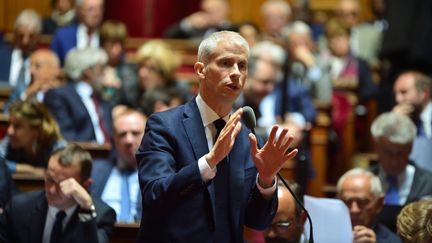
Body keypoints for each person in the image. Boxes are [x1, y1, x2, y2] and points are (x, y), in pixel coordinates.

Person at [135, 31, 298, 242]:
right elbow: (154, 195)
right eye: (226, 63)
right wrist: (210, 161)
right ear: (201, 70)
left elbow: (256, 222)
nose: (236, 73)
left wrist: (266, 180)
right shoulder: (164, 126)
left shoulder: (245, 134)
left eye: (242, 65)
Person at [0, 143, 116, 243]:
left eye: (63, 185)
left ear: (85, 185)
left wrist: (86, 207)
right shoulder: (18, 208)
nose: (52, 190)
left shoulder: (101, 215)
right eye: (50, 180)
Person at [369, 111, 432, 231]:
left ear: (411, 147)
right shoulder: (361, 182)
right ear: (376, 146)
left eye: (401, 154)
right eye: (388, 153)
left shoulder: (429, 184)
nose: (394, 161)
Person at [44, 47, 112, 144]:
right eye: (101, 68)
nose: (105, 73)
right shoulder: (60, 96)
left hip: (110, 155)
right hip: (82, 154)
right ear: (88, 71)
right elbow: (65, 136)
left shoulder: (102, 99)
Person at [91, 106, 146, 222]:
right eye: (122, 134)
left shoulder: (160, 173)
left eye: (135, 133)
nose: (128, 140)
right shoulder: (94, 171)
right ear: (114, 139)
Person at [115, 40, 191, 114]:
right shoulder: (130, 91)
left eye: (151, 68)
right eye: (141, 66)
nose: (142, 73)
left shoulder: (179, 93)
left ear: (163, 75)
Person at [0, 100, 66, 175]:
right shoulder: (10, 142)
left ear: (36, 129)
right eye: (10, 124)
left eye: (17, 126)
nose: (9, 131)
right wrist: (26, 169)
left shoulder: (56, 147)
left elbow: (64, 171)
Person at [337, 168, 402, 243]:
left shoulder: (394, 241)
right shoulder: (325, 234)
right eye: (347, 201)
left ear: (379, 203)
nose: (354, 210)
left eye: (363, 202)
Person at [392, 71, 432, 171]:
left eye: (404, 92)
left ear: (424, 93)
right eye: (396, 94)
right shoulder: (400, 120)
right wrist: (393, 123)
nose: (398, 99)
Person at [99, 20, 138, 104]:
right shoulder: (93, 68)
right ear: (103, 43)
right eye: (113, 43)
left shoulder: (129, 69)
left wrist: (119, 86)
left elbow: (132, 100)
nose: (118, 48)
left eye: (120, 43)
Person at [0, 9, 41, 86]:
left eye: (31, 36)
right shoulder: (1, 56)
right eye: (21, 36)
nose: (25, 41)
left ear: (38, 37)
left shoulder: (44, 61)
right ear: (15, 35)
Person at [164, 0, 236, 40]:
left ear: (226, 10)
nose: (209, 15)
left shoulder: (234, 29)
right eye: (206, 11)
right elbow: (168, 35)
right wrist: (188, 23)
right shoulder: (198, 28)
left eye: (214, 10)